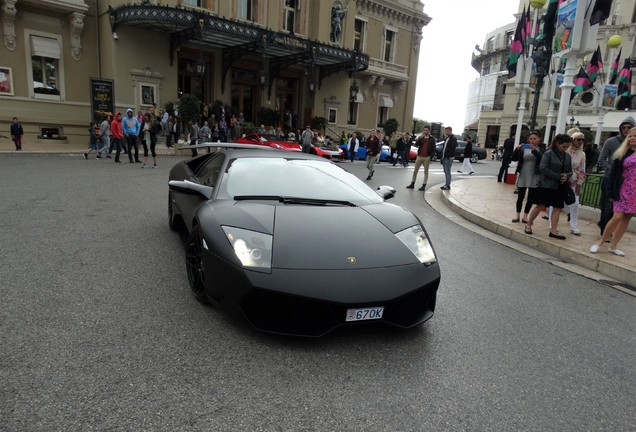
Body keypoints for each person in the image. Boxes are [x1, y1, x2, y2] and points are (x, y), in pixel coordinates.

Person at [590, 127, 636, 257]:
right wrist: (610, 192)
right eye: (630, 136)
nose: (632, 138)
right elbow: (613, 174)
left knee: (626, 218)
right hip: (622, 189)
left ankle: (613, 246)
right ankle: (600, 242)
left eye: (635, 136)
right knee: (617, 217)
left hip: (635, 192)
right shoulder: (623, 153)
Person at [524, 134, 573, 239]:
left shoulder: (567, 156)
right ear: (557, 144)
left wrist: (566, 176)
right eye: (564, 146)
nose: (566, 149)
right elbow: (543, 169)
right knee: (540, 205)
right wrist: (558, 176)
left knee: (557, 208)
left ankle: (554, 230)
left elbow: (570, 171)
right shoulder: (548, 154)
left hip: (560, 186)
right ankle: (528, 224)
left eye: (567, 146)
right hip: (547, 185)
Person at [597, 116, 635, 236]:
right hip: (610, 179)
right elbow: (601, 160)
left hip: (627, 183)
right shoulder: (611, 141)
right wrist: (614, 170)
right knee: (608, 208)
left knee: (622, 212)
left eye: (629, 127)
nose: (626, 129)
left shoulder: (633, 145)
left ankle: (613, 232)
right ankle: (605, 233)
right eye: (623, 127)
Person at [511, 130, 543, 223]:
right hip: (523, 173)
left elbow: (542, 159)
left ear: (539, 140)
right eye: (531, 139)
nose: (532, 141)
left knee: (531, 197)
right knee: (520, 196)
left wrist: (534, 150)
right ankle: (517, 215)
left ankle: (525, 216)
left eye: (534, 139)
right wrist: (517, 150)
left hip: (534, 174)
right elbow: (514, 158)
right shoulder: (524, 148)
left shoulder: (541, 149)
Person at [565, 131, 586, 235]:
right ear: (573, 139)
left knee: (575, 204)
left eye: (582, 140)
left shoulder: (582, 154)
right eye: (578, 139)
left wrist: (579, 183)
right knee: (555, 203)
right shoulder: (566, 152)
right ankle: (552, 224)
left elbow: (582, 170)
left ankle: (574, 226)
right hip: (563, 180)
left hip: (574, 181)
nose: (580, 142)